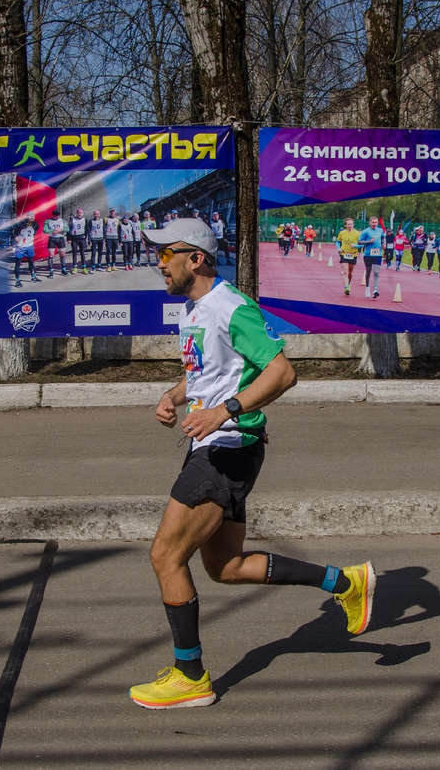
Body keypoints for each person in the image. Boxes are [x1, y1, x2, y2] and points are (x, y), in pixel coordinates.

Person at [128, 216, 374, 710]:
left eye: (163, 254)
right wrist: (173, 396)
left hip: (229, 446)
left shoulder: (230, 307)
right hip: (217, 445)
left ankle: (190, 676)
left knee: (164, 556)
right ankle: (348, 582)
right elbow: (209, 374)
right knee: (226, 566)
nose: (158, 264)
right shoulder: (197, 310)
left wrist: (224, 411)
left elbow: (282, 373)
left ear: (194, 258)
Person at [357, 216, 384, 298]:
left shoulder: (380, 230)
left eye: (376, 222)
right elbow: (359, 242)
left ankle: (375, 290)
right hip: (368, 255)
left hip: (378, 254)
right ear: (370, 223)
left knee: (376, 272)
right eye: (373, 222)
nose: (374, 224)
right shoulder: (365, 231)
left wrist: (383, 244)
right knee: (368, 272)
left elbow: (383, 238)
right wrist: (368, 241)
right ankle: (367, 287)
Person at [12, 212, 39, 287]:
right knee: (18, 263)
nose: (32, 217)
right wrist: (15, 236)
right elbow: (9, 230)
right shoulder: (20, 224)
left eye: (33, 216)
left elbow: (36, 229)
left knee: (31, 261)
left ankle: (33, 277)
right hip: (21, 246)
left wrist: (32, 237)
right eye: (30, 216)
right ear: (27, 217)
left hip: (29, 245)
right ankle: (18, 280)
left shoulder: (35, 224)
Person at [336, 218, 360, 295]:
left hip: (353, 254)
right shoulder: (342, 233)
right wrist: (338, 248)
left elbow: (361, 244)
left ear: (353, 225)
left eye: (351, 224)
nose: (350, 225)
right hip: (344, 254)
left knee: (350, 272)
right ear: (346, 225)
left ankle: (349, 283)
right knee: (345, 272)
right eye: (348, 224)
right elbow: (338, 241)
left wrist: (355, 245)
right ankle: (346, 287)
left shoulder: (357, 233)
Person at [45, 211, 69, 276]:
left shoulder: (63, 220)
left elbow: (67, 229)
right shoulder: (48, 221)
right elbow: (45, 230)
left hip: (60, 239)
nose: (57, 217)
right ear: (53, 215)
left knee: (62, 254)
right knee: (51, 255)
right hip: (52, 239)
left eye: (58, 215)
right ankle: (51, 271)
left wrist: (61, 230)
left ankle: (63, 269)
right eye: (56, 215)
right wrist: (53, 231)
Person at [68, 208, 90, 274]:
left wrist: (85, 237)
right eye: (78, 213)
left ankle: (84, 267)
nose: (79, 214)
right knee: (74, 253)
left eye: (81, 213)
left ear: (82, 213)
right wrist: (68, 238)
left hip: (82, 238)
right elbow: (68, 229)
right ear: (76, 213)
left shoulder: (85, 220)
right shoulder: (72, 219)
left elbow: (86, 230)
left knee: (82, 253)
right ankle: (75, 267)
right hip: (74, 238)